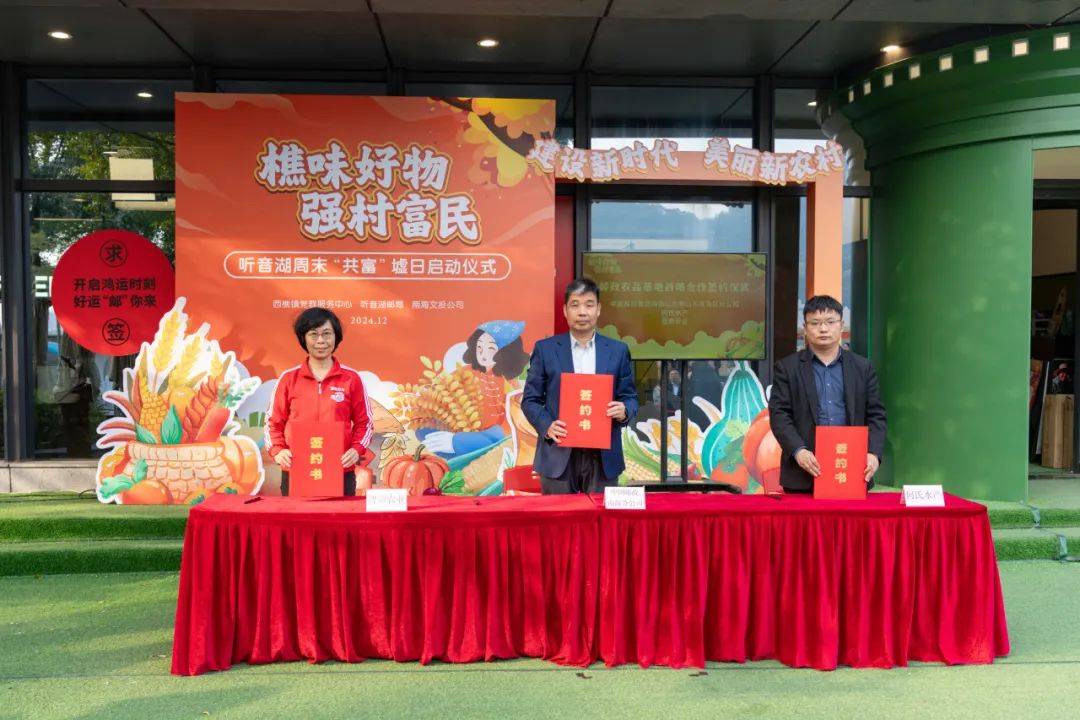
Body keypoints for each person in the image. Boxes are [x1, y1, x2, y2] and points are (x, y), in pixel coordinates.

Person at [522, 277, 639, 494]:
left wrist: (624, 410)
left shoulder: (618, 351)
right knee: (559, 515)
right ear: (565, 310)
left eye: (589, 305)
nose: (582, 312)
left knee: (600, 515)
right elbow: (530, 400)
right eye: (575, 305)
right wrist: (547, 425)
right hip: (558, 453)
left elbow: (630, 398)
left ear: (598, 309)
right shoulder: (546, 350)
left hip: (603, 457)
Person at [768, 295, 886, 493]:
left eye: (830, 322)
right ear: (805, 328)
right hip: (804, 471)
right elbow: (779, 415)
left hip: (853, 469)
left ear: (841, 326)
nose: (823, 329)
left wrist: (873, 453)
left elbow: (876, 415)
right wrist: (798, 451)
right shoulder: (787, 368)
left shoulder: (862, 367)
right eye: (815, 323)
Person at [265, 308, 374, 496]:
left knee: (339, 516)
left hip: (340, 471)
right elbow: (273, 423)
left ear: (336, 337)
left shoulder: (351, 379)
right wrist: (278, 450)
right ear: (304, 338)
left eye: (327, 334)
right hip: (297, 470)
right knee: (296, 516)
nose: (321, 341)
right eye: (313, 334)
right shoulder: (289, 379)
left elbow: (365, 423)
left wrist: (356, 450)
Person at [417, 320, 529, 458]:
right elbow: (435, 402)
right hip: (456, 436)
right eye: (479, 347)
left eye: (491, 348)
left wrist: (458, 441)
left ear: (506, 352)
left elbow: (508, 429)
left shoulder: (511, 385)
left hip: (491, 444)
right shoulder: (462, 374)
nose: (483, 354)